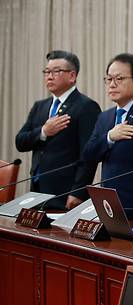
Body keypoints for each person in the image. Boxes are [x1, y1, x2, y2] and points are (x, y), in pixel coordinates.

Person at [82, 54, 133, 224]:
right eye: (109, 79)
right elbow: (88, 155)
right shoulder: (105, 117)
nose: (112, 84)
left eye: (119, 79)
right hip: (107, 204)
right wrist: (109, 137)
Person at [15, 50, 101, 210]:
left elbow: (88, 155)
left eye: (56, 71)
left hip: (66, 193)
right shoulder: (40, 106)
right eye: (47, 71)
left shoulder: (86, 107)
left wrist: (78, 192)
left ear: (72, 76)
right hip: (37, 189)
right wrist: (43, 132)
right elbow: (20, 141)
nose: (49, 76)